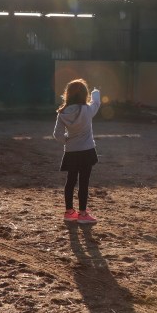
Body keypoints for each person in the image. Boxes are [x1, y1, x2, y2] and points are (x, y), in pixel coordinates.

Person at [53, 78, 101, 224]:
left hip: (71, 152)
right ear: (84, 94)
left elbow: (57, 134)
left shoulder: (62, 112)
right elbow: (96, 103)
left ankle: (69, 212)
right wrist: (96, 91)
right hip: (87, 151)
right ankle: (83, 214)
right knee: (84, 182)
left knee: (70, 181)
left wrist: (68, 140)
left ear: (68, 94)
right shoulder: (87, 110)